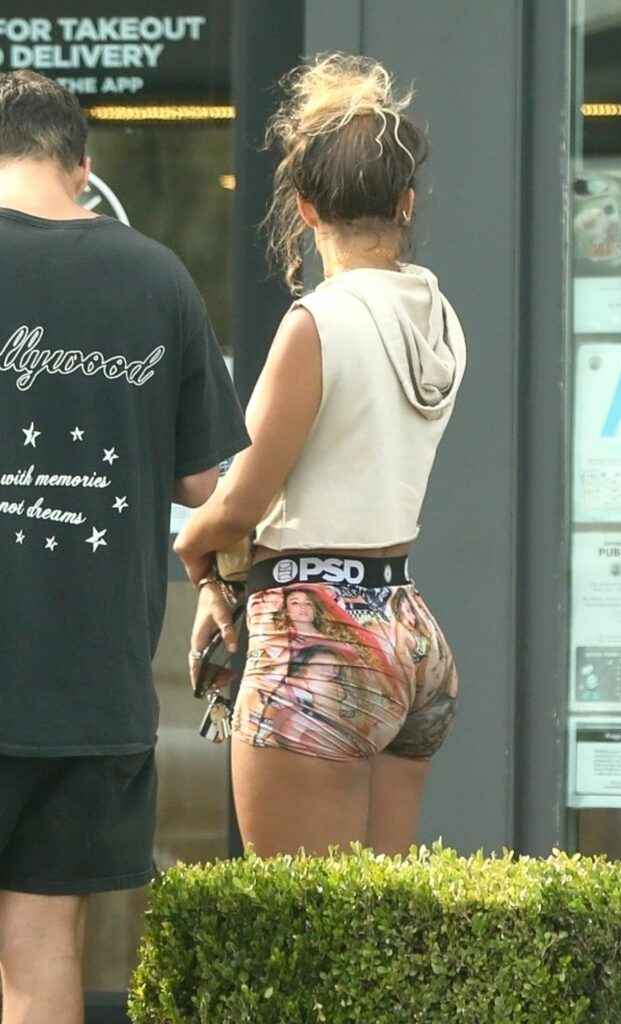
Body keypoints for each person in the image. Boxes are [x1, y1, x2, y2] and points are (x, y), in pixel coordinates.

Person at [0, 71, 249, 1024]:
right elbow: (203, 486)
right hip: (87, 687)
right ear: (82, 166)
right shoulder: (156, 277)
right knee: (42, 942)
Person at [175, 53, 466, 858]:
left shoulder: (317, 322)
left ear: (304, 208)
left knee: (298, 915)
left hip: (317, 637)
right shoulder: (438, 316)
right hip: (406, 627)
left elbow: (241, 501)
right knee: (384, 913)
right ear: (405, 202)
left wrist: (192, 544)